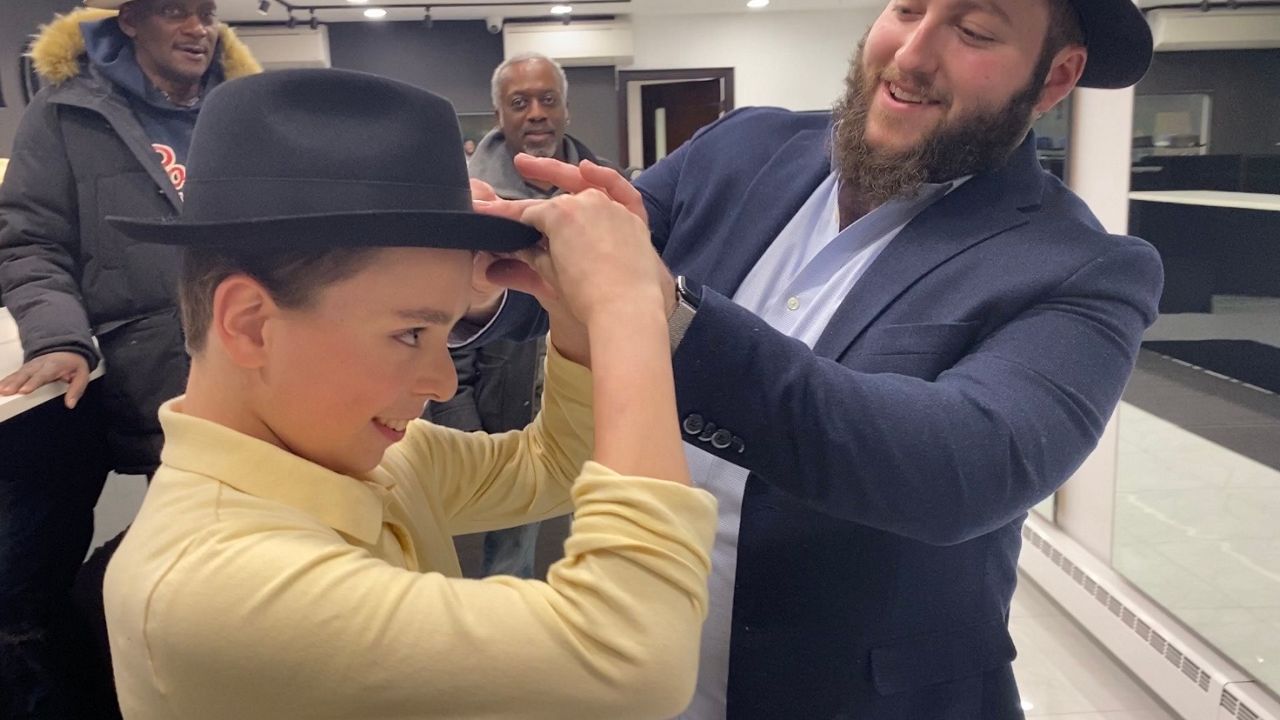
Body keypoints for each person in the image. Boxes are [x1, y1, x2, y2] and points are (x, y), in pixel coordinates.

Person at [476, 0, 1165, 716]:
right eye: (908, 8)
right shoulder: (742, 147)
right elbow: (576, 264)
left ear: (1056, 77)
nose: (911, 54)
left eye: (974, 31)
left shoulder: (1082, 268)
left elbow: (961, 467)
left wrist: (670, 317)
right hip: (638, 677)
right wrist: (468, 275)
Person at [101, 68, 716, 720]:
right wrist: (627, 310)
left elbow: (553, 466)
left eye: (446, 329)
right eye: (410, 333)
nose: (443, 381)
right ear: (251, 324)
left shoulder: (362, 457)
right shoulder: (213, 588)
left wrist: (573, 313)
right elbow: (635, 660)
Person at [0, 1, 257, 716]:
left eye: (205, 12)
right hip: (120, 380)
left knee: (227, 576)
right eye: (175, 12)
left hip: (242, 378)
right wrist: (58, 336)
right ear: (130, 22)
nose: (197, 28)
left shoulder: (243, 114)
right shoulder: (66, 113)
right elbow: (30, 241)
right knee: (54, 584)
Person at [428, 52, 620, 579]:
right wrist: (463, 427)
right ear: (498, 115)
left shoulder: (605, 192)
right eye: (520, 102)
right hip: (502, 422)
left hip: (589, 411)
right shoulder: (466, 204)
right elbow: (444, 327)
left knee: (601, 543)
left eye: (547, 100)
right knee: (507, 558)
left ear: (566, 110)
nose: (536, 113)